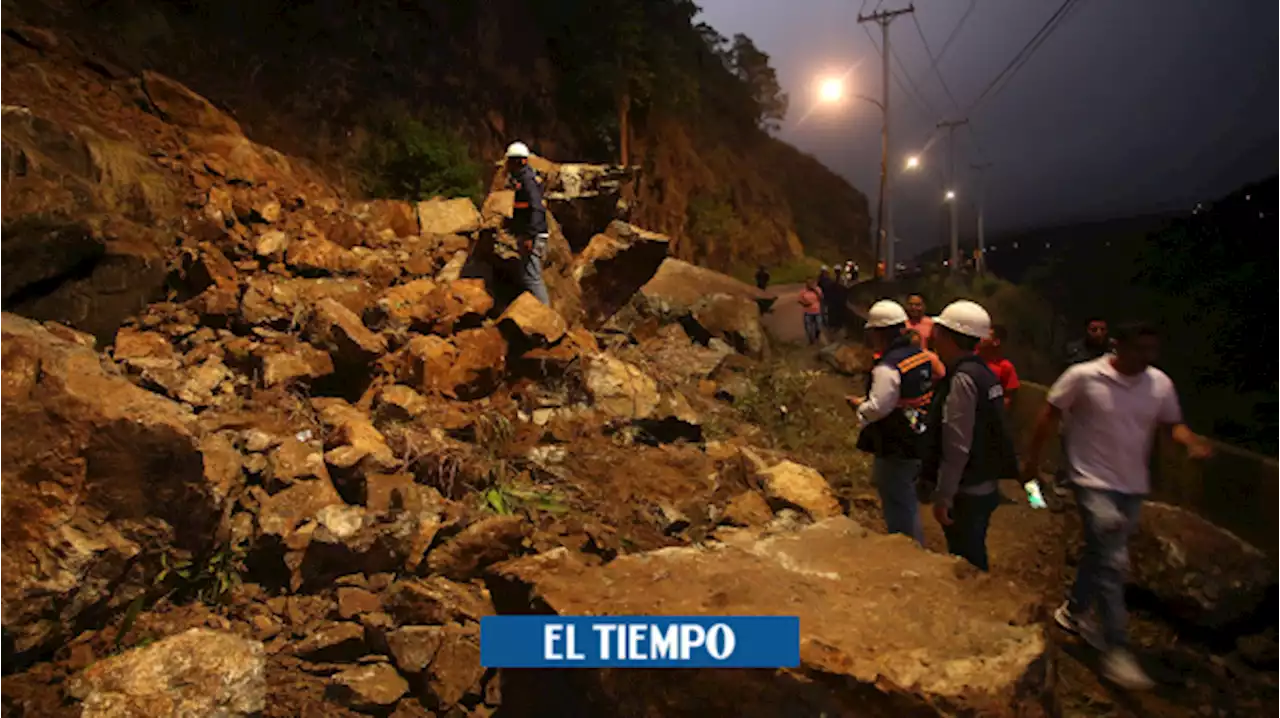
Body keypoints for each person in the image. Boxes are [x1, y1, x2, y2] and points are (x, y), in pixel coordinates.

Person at [1023, 322, 1213, 691]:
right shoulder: (1083, 376)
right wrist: (1032, 461)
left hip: (1132, 486)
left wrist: (1191, 442)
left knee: (1101, 553)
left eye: (1151, 350)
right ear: (1119, 347)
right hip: (1090, 480)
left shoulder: (1159, 384)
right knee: (1113, 561)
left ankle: (1074, 612)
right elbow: (1050, 412)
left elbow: (1172, 424)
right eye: (1139, 349)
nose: (1146, 357)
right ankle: (1117, 649)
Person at [922, 301, 1019, 572]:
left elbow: (957, 444)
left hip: (967, 491)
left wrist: (944, 496)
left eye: (938, 330)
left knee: (968, 559)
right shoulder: (983, 373)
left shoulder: (962, 378)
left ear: (947, 335)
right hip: (984, 483)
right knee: (974, 549)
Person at [847, 300, 935, 545]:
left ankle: (907, 547)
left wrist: (860, 407)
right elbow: (904, 396)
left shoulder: (887, 366)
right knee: (905, 493)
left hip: (896, 440)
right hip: (917, 431)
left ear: (878, 333)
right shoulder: (919, 356)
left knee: (898, 496)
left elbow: (878, 407)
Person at [504, 141, 550, 305]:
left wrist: (530, 235)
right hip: (531, 233)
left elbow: (536, 208)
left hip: (534, 235)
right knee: (528, 275)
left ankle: (546, 318)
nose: (507, 165)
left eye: (510, 161)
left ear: (519, 161)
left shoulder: (527, 180)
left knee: (532, 278)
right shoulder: (522, 179)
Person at [979, 324, 1020, 409]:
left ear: (996, 342)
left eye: (986, 335)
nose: (981, 337)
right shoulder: (971, 358)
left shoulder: (1005, 367)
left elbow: (1008, 398)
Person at [798, 279, 824, 345]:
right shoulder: (803, 292)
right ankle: (811, 340)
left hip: (817, 311)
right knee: (808, 328)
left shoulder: (818, 289)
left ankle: (816, 337)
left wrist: (815, 291)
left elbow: (821, 298)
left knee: (818, 326)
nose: (810, 284)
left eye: (811, 283)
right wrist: (804, 304)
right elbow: (799, 300)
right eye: (808, 283)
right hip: (807, 312)